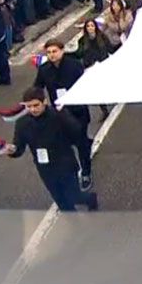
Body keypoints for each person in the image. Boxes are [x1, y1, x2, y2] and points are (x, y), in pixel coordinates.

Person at [0, 87, 98, 212]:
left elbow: (76, 133)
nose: (33, 109)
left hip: (65, 164)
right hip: (45, 168)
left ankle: (91, 199)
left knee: (74, 196)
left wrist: (64, 114)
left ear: (44, 102)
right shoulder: (22, 123)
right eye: (29, 106)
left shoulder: (57, 116)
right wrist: (12, 150)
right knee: (61, 201)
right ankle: (73, 221)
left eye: (36, 105)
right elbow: (19, 147)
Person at [34, 39, 93, 190]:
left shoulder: (74, 65)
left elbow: (85, 83)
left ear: (62, 51)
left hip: (77, 110)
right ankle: (73, 167)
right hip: (59, 113)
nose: (52, 55)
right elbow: (38, 87)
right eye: (48, 52)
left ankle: (86, 173)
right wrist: (42, 101)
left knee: (80, 144)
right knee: (66, 143)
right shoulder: (44, 69)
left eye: (54, 51)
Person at [75, 19, 116, 121]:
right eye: (88, 26)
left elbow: (110, 48)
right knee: (98, 89)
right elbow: (78, 54)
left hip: (103, 65)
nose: (90, 28)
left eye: (92, 26)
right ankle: (104, 110)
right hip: (91, 67)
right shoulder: (82, 40)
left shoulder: (102, 37)